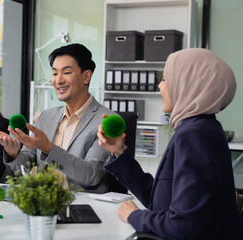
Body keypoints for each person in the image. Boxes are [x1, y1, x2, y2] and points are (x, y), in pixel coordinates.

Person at [97, 48, 243, 239]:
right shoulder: (205, 128)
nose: (160, 86)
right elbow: (161, 201)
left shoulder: (194, 134)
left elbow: (183, 225)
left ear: (188, 83)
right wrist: (118, 151)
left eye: (165, 79)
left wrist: (135, 216)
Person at [0, 43, 117, 193]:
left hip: (83, 207)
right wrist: (14, 153)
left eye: (66, 72)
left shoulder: (106, 121)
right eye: (55, 73)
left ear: (86, 76)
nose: (58, 80)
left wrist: (48, 148)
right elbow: (25, 167)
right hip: (43, 202)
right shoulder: (47, 116)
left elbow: (91, 175)